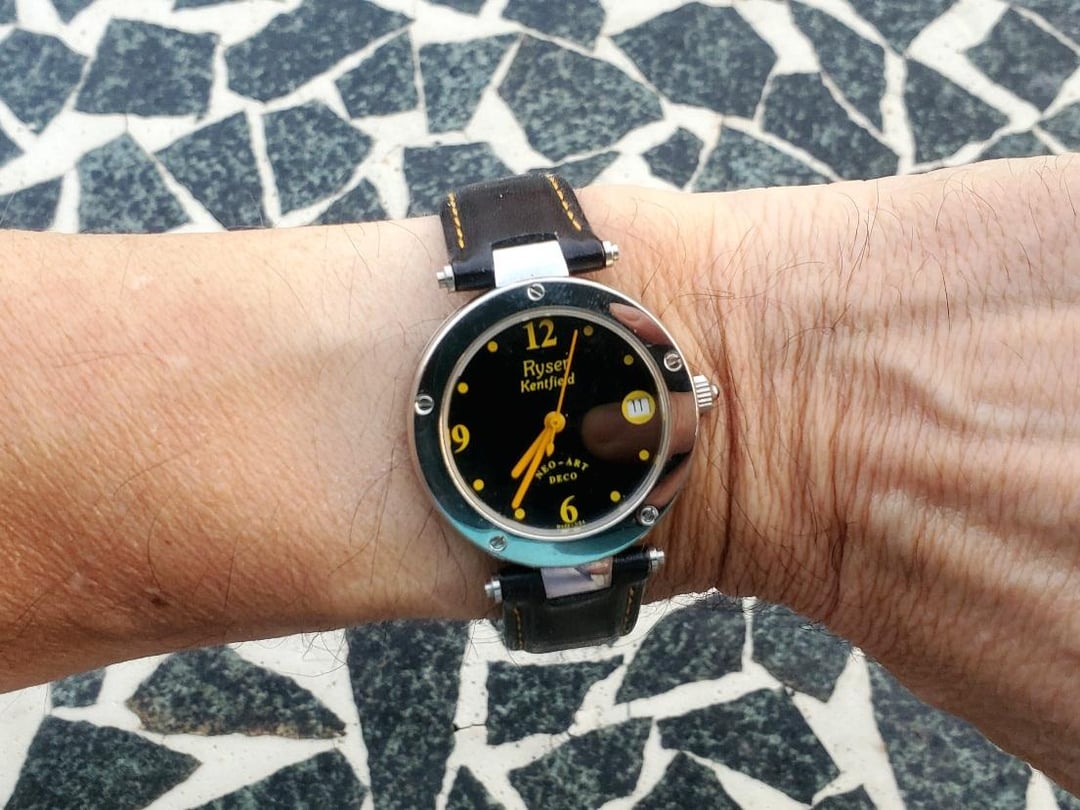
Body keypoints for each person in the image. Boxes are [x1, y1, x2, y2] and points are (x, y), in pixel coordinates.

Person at [0, 156, 1076, 793]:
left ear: (692, 391)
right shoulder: (505, 392)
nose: (554, 416)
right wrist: (801, 430)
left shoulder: (643, 396)